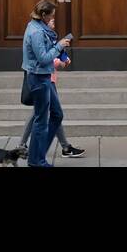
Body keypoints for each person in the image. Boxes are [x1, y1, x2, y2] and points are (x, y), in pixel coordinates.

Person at [17, 15, 85, 159]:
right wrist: (59, 63)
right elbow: (43, 58)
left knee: (51, 113)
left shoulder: (49, 36)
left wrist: (64, 58)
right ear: (44, 21)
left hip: (49, 79)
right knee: (53, 114)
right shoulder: (39, 34)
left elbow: (57, 54)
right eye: (51, 19)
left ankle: (25, 146)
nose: (54, 21)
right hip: (43, 79)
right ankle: (62, 147)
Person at [21, 0, 71, 168]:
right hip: (39, 79)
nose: (52, 18)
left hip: (45, 77)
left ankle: (38, 154)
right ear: (43, 15)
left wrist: (57, 46)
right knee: (41, 120)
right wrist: (59, 46)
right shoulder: (35, 32)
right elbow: (43, 59)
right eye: (51, 16)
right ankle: (36, 160)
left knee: (57, 114)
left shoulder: (39, 27)